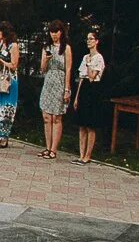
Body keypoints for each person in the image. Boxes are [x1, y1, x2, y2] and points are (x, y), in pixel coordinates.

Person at [72, 29, 109, 164]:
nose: (89, 41)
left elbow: (92, 77)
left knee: (90, 125)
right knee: (82, 124)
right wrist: (76, 97)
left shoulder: (98, 58)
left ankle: (88, 155)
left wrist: (88, 64)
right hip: (84, 89)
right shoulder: (84, 57)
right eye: (87, 39)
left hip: (93, 89)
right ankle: (81, 154)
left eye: (91, 39)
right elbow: (82, 78)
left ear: (97, 41)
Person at [38, 22, 72, 160]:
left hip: (60, 81)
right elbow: (42, 69)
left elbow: (68, 69)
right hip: (48, 81)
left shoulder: (66, 48)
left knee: (56, 117)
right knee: (47, 117)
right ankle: (47, 147)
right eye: (52, 32)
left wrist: (66, 89)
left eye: (56, 32)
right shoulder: (47, 47)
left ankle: (54, 149)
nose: (54, 35)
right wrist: (45, 60)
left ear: (61, 32)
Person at [0, 23, 21, 149]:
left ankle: (5, 137)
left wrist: (2, 61)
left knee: (7, 109)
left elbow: (14, 65)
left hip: (10, 80)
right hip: (0, 78)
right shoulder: (2, 44)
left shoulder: (14, 46)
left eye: (0, 32)